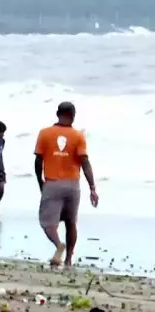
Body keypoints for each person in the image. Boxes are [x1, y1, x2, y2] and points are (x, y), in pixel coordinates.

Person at [34, 101, 98, 268]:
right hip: (72, 185)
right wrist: (92, 188)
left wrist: (40, 181)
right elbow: (85, 162)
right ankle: (69, 259)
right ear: (73, 116)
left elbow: (38, 160)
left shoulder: (45, 133)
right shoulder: (78, 136)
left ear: (57, 114)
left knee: (48, 223)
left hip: (53, 183)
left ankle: (58, 244)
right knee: (71, 222)